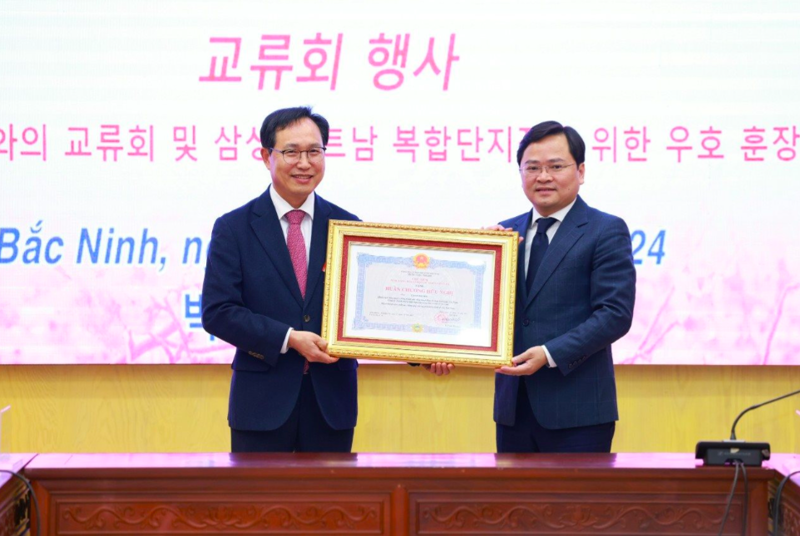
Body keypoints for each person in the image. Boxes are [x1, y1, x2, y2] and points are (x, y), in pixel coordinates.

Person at [202, 106, 359, 453]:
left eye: (314, 152)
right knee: (258, 507)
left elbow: (371, 312)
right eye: (291, 152)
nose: (304, 163)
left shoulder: (349, 228)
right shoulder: (234, 228)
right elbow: (218, 312)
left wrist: (423, 353)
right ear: (266, 156)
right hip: (260, 405)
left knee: (331, 507)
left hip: (331, 405)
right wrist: (288, 338)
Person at [491, 120, 636, 453]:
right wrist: (483, 258)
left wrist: (549, 353)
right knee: (512, 506)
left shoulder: (605, 230)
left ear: (581, 171)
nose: (543, 177)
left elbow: (615, 314)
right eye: (532, 168)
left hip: (578, 412)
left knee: (575, 507)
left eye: (555, 166)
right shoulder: (505, 234)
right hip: (513, 410)